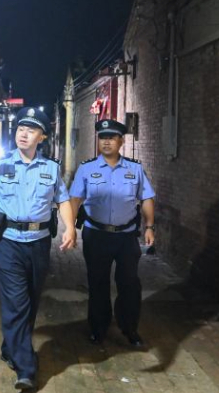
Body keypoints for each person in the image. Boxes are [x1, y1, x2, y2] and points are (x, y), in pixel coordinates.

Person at [0, 107, 76, 390]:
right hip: (9, 242)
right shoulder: (1, 164)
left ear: (42, 137)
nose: (23, 134)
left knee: (31, 299)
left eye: (30, 130)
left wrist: (70, 227)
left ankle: (10, 347)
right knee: (16, 302)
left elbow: (62, 200)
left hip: (39, 242)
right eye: (19, 130)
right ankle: (26, 369)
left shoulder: (50, 168)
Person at [69, 119, 155, 347]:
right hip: (96, 234)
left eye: (111, 138)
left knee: (129, 282)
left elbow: (146, 197)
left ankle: (129, 328)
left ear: (121, 141)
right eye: (102, 137)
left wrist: (149, 227)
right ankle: (98, 328)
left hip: (126, 236)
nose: (106, 142)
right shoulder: (87, 169)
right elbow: (75, 199)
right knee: (97, 283)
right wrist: (70, 229)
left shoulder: (134, 169)